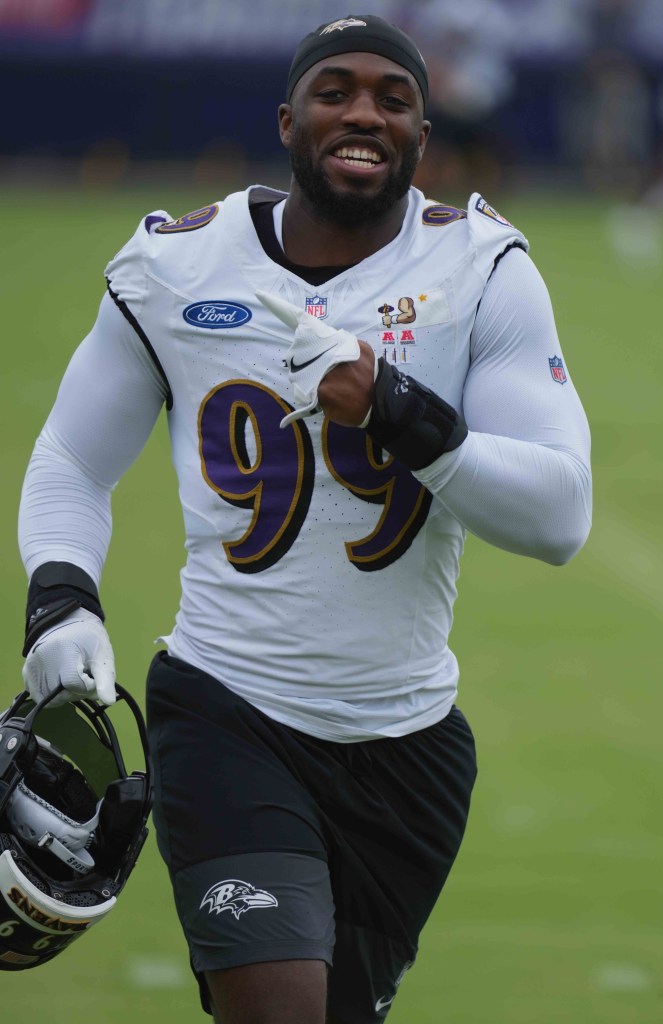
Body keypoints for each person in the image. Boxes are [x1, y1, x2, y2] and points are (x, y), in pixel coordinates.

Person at [17, 13, 592, 1024]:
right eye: (334, 91)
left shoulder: (481, 269)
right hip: (226, 708)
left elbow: (558, 513)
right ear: (288, 120)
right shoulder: (175, 268)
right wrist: (61, 599)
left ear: (424, 134)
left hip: (406, 744)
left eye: (391, 96)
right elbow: (72, 455)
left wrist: (398, 412)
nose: (361, 111)